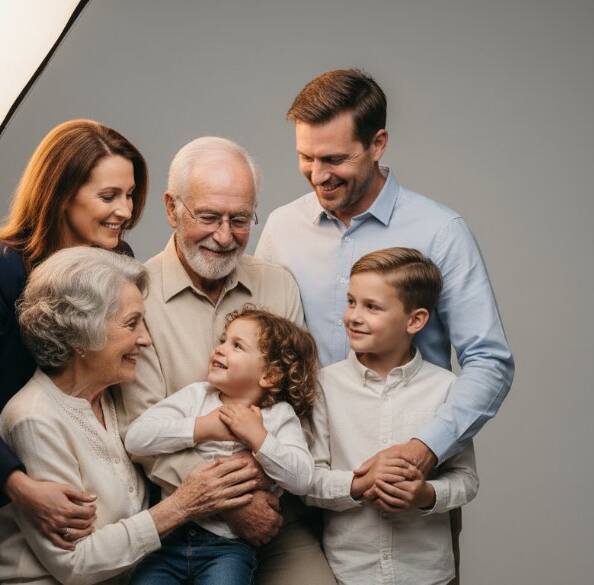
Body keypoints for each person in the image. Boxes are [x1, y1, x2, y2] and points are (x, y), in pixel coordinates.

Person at [255, 70, 513, 576]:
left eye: (334, 159)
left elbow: (489, 361)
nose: (317, 174)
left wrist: (423, 451)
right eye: (306, 157)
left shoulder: (440, 231)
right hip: (300, 481)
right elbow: (260, 343)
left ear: (378, 144)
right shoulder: (283, 229)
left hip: (409, 494)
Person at [0, 119, 150, 585]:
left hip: (82, 476)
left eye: (130, 195)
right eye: (109, 197)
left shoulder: (118, 257)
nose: (125, 211)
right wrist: (19, 487)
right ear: (62, 192)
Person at [116, 137, 337, 585]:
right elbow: (139, 432)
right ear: (172, 208)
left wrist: (261, 487)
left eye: (239, 220)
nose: (224, 236)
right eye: (209, 217)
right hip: (178, 519)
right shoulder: (135, 294)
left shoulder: (278, 286)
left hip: (274, 511)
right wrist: (233, 503)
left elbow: (300, 405)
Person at [0, 247, 258, 585]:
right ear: (82, 334)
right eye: (132, 324)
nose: (144, 338)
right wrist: (182, 505)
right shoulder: (34, 419)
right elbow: (75, 563)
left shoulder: (110, 398)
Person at [306, 248, 478, 585]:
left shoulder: (446, 389)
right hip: (348, 572)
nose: (353, 316)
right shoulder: (325, 385)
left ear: (415, 320)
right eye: (351, 301)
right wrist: (359, 484)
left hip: (427, 573)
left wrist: (426, 494)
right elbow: (308, 481)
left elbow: (467, 480)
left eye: (372, 307)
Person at [124, 307, 319, 584]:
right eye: (223, 340)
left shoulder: (278, 417)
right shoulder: (197, 397)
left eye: (237, 346)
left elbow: (302, 479)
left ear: (270, 376)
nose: (220, 349)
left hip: (228, 549)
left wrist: (259, 439)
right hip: (170, 536)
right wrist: (204, 427)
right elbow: (137, 438)